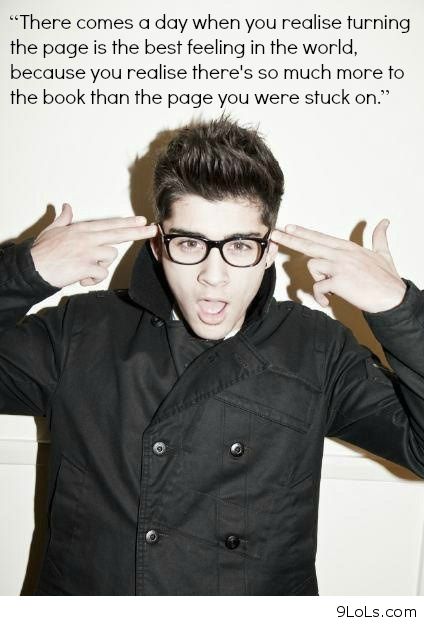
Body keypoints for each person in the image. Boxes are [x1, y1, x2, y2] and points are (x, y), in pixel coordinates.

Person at [0, 115, 423, 596]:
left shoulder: (316, 349)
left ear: (268, 251)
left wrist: (398, 307)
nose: (213, 275)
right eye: (189, 243)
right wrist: (24, 272)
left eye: (239, 246)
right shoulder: (81, 332)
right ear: (158, 246)